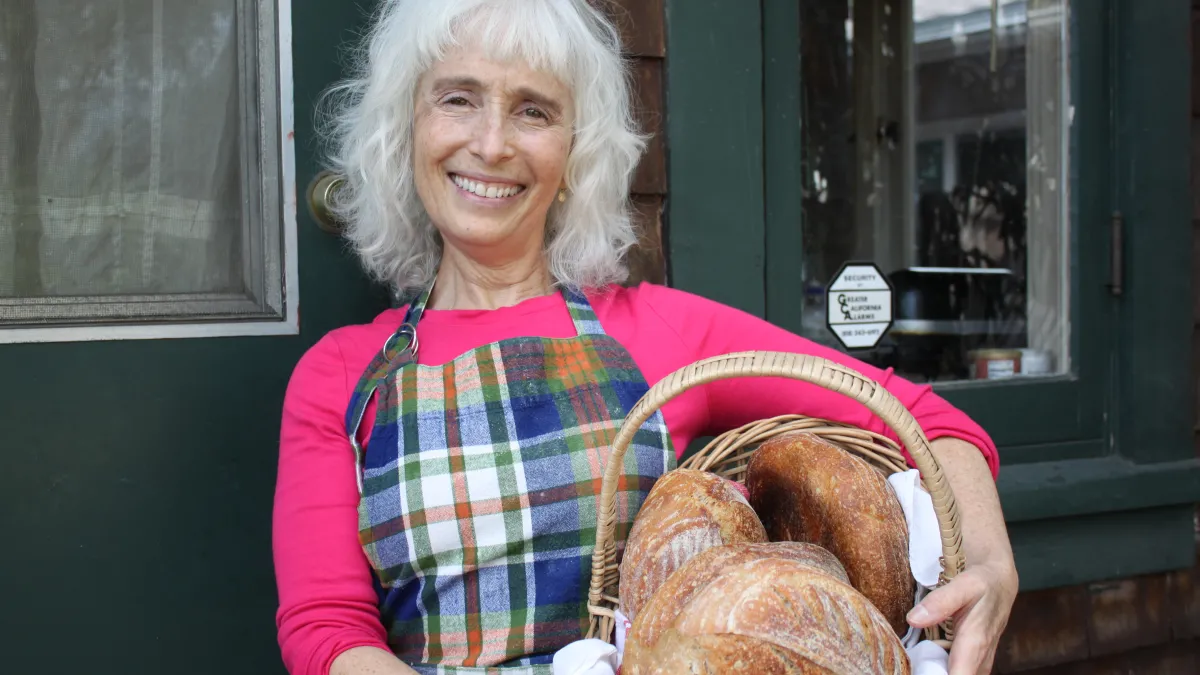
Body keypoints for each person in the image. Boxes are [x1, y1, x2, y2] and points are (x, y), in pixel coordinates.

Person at [272, 1, 1018, 674]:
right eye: (458, 98)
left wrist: (987, 557)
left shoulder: (657, 331)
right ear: (408, 128)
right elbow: (327, 628)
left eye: (533, 110)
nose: (492, 142)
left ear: (573, 155)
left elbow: (917, 416)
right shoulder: (341, 375)